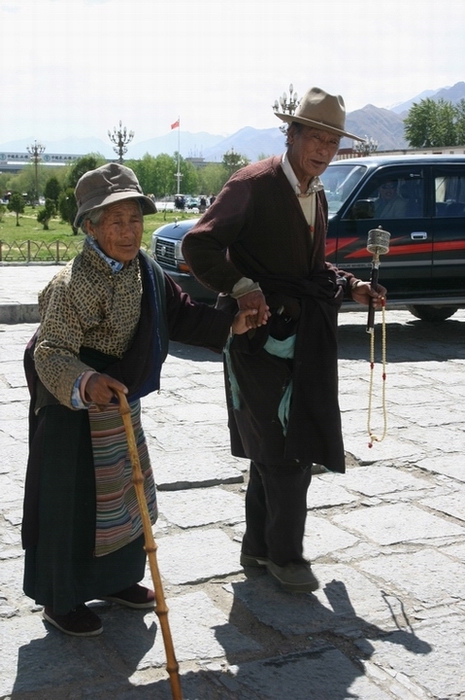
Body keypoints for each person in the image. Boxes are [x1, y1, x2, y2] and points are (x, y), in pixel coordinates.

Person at [21, 163, 258, 637]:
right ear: (90, 227)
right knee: (74, 501)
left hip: (119, 397)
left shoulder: (144, 269)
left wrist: (232, 323)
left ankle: (115, 579)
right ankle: (60, 597)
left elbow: (180, 314)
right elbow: (51, 350)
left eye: (135, 220)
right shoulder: (72, 285)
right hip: (71, 404)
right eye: (115, 222)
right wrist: (87, 382)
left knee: (124, 493)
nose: (129, 232)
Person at [182, 87, 386, 594]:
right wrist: (243, 287)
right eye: (314, 137)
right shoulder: (252, 185)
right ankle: (287, 557)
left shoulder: (315, 190)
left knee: (273, 447)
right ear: (291, 134)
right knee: (286, 448)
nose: (322, 150)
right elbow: (199, 243)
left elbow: (310, 269)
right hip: (254, 335)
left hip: (302, 335)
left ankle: (258, 547)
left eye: (332, 142)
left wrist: (353, 287)